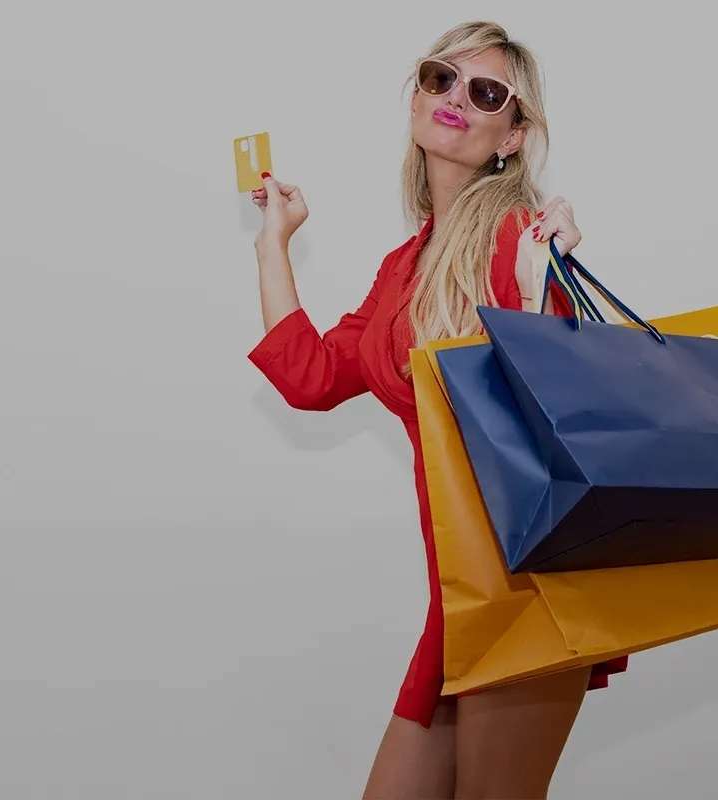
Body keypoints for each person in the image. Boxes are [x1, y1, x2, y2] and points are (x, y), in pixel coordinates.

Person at [242, 21, 623, 799]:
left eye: (486, 93)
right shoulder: (406, 267)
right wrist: (272, 244)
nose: (455, 99)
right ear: (415, 97)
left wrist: (534, 290)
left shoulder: (519, 234)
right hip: (465, 589)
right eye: (439, 78)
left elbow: (554, 403)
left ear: (512, 137)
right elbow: (311, 379)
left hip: (531, 583)